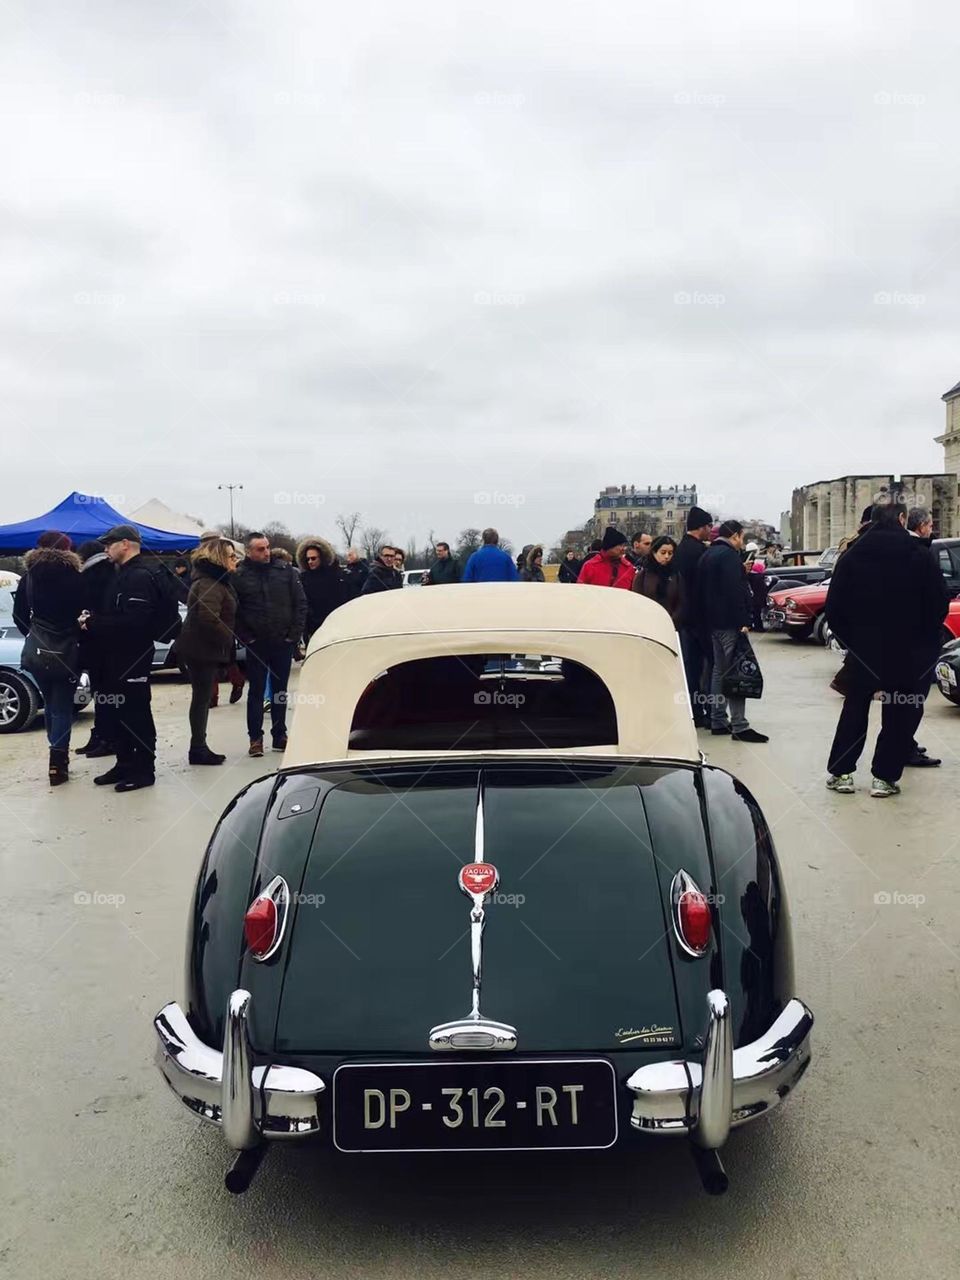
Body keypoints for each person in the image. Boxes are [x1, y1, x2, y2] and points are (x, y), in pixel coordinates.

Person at [824, 503, 949, 797]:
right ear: (903, 519)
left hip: (864, 650)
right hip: (907, 652)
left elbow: (835, 607)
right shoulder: (919, 554)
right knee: (899, 712)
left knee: (854, 708)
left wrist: (850, 642)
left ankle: (842, 773)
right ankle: (884, 778)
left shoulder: (852, 556)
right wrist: (923, 643)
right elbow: (938, 604)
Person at [82, 525, 163, 791]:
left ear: (125, 544)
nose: (105, 549)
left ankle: (143, 770)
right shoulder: (121, 573)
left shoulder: (139, 576)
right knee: (118, 713)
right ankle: (124, 762)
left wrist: (94, 622)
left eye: (110, 544)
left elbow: (135, 622)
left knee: (136, 713)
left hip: (134, 657)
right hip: (114, 657)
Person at [13, 531, 85, 786]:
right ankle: (58, 763)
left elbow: (19, 615)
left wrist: (35, 635)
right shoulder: (76, 578)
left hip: (39, 651)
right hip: (68, 649)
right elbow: (85, 611)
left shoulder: (29, 579)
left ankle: (55, 756)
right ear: (68, 550)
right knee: (63, 706)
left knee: (50, 704)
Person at [234, 530, 307, 757]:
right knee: (256, 691)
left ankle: (280, 734)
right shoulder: (239, 575)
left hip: (282, 642)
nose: (266, 552)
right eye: (260, 549)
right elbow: (234, 611)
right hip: (256, 643)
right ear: (248, 551)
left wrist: (292, 636)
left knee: (279, 691)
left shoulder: (285, 571)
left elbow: (300, 603)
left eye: (267, 547)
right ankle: (255, 738)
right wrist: (246, 637)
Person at [698, 520, 768, 743]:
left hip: (712, 623)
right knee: (737, 671)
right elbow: (734, 591)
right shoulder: (728, 556)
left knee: (719, 671)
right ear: (736, 536)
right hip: (730, 622)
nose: (741, 542)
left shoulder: (707, 555)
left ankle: (718, 719)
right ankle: (739, 725)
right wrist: (743, 620)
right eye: (741, 537)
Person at [175, 537, 239, 765]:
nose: (236, 560)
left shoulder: (217, 580)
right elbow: (208, 617)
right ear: (220, 557)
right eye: (232, 556)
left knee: (201, 698)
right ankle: (198, 748)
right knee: (201, 699)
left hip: (204, 647)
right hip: (201, 649)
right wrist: (228, 638)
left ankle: (199, 746)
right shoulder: (209, 582)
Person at [74, 539, 118, 757]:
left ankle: (105, 737)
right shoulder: (111, 570)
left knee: (103, 692)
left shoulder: (93, 575)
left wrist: (85, 620)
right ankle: (102, 735)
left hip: (96, 640)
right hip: (106, 642)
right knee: (104, 692)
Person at [673, 505, 713, 728]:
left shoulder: (680, 550)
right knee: (706, 668)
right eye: (709, 526)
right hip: (701, 618)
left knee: (691, 668)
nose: (711, 530)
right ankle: (706, 712)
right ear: (702, 527)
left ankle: (694, 712)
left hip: (684, 619)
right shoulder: (700, 552)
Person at [296, 537, 346, 641]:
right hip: (312, 627)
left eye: (313, 558)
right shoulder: (303, 578)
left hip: (333, 625)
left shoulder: (335, 576)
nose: (310, 561)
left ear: (321, 558)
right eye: (308, 559)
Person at [631, 535, 681, 621]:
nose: (666, 556)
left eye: (670, 553)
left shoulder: (676, 575)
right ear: (654, 553)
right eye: (663, 552)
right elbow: (636, 601)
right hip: (647, 622)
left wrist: (672, 620)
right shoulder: (643, 575)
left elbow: (681, 603)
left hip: (670, 623)